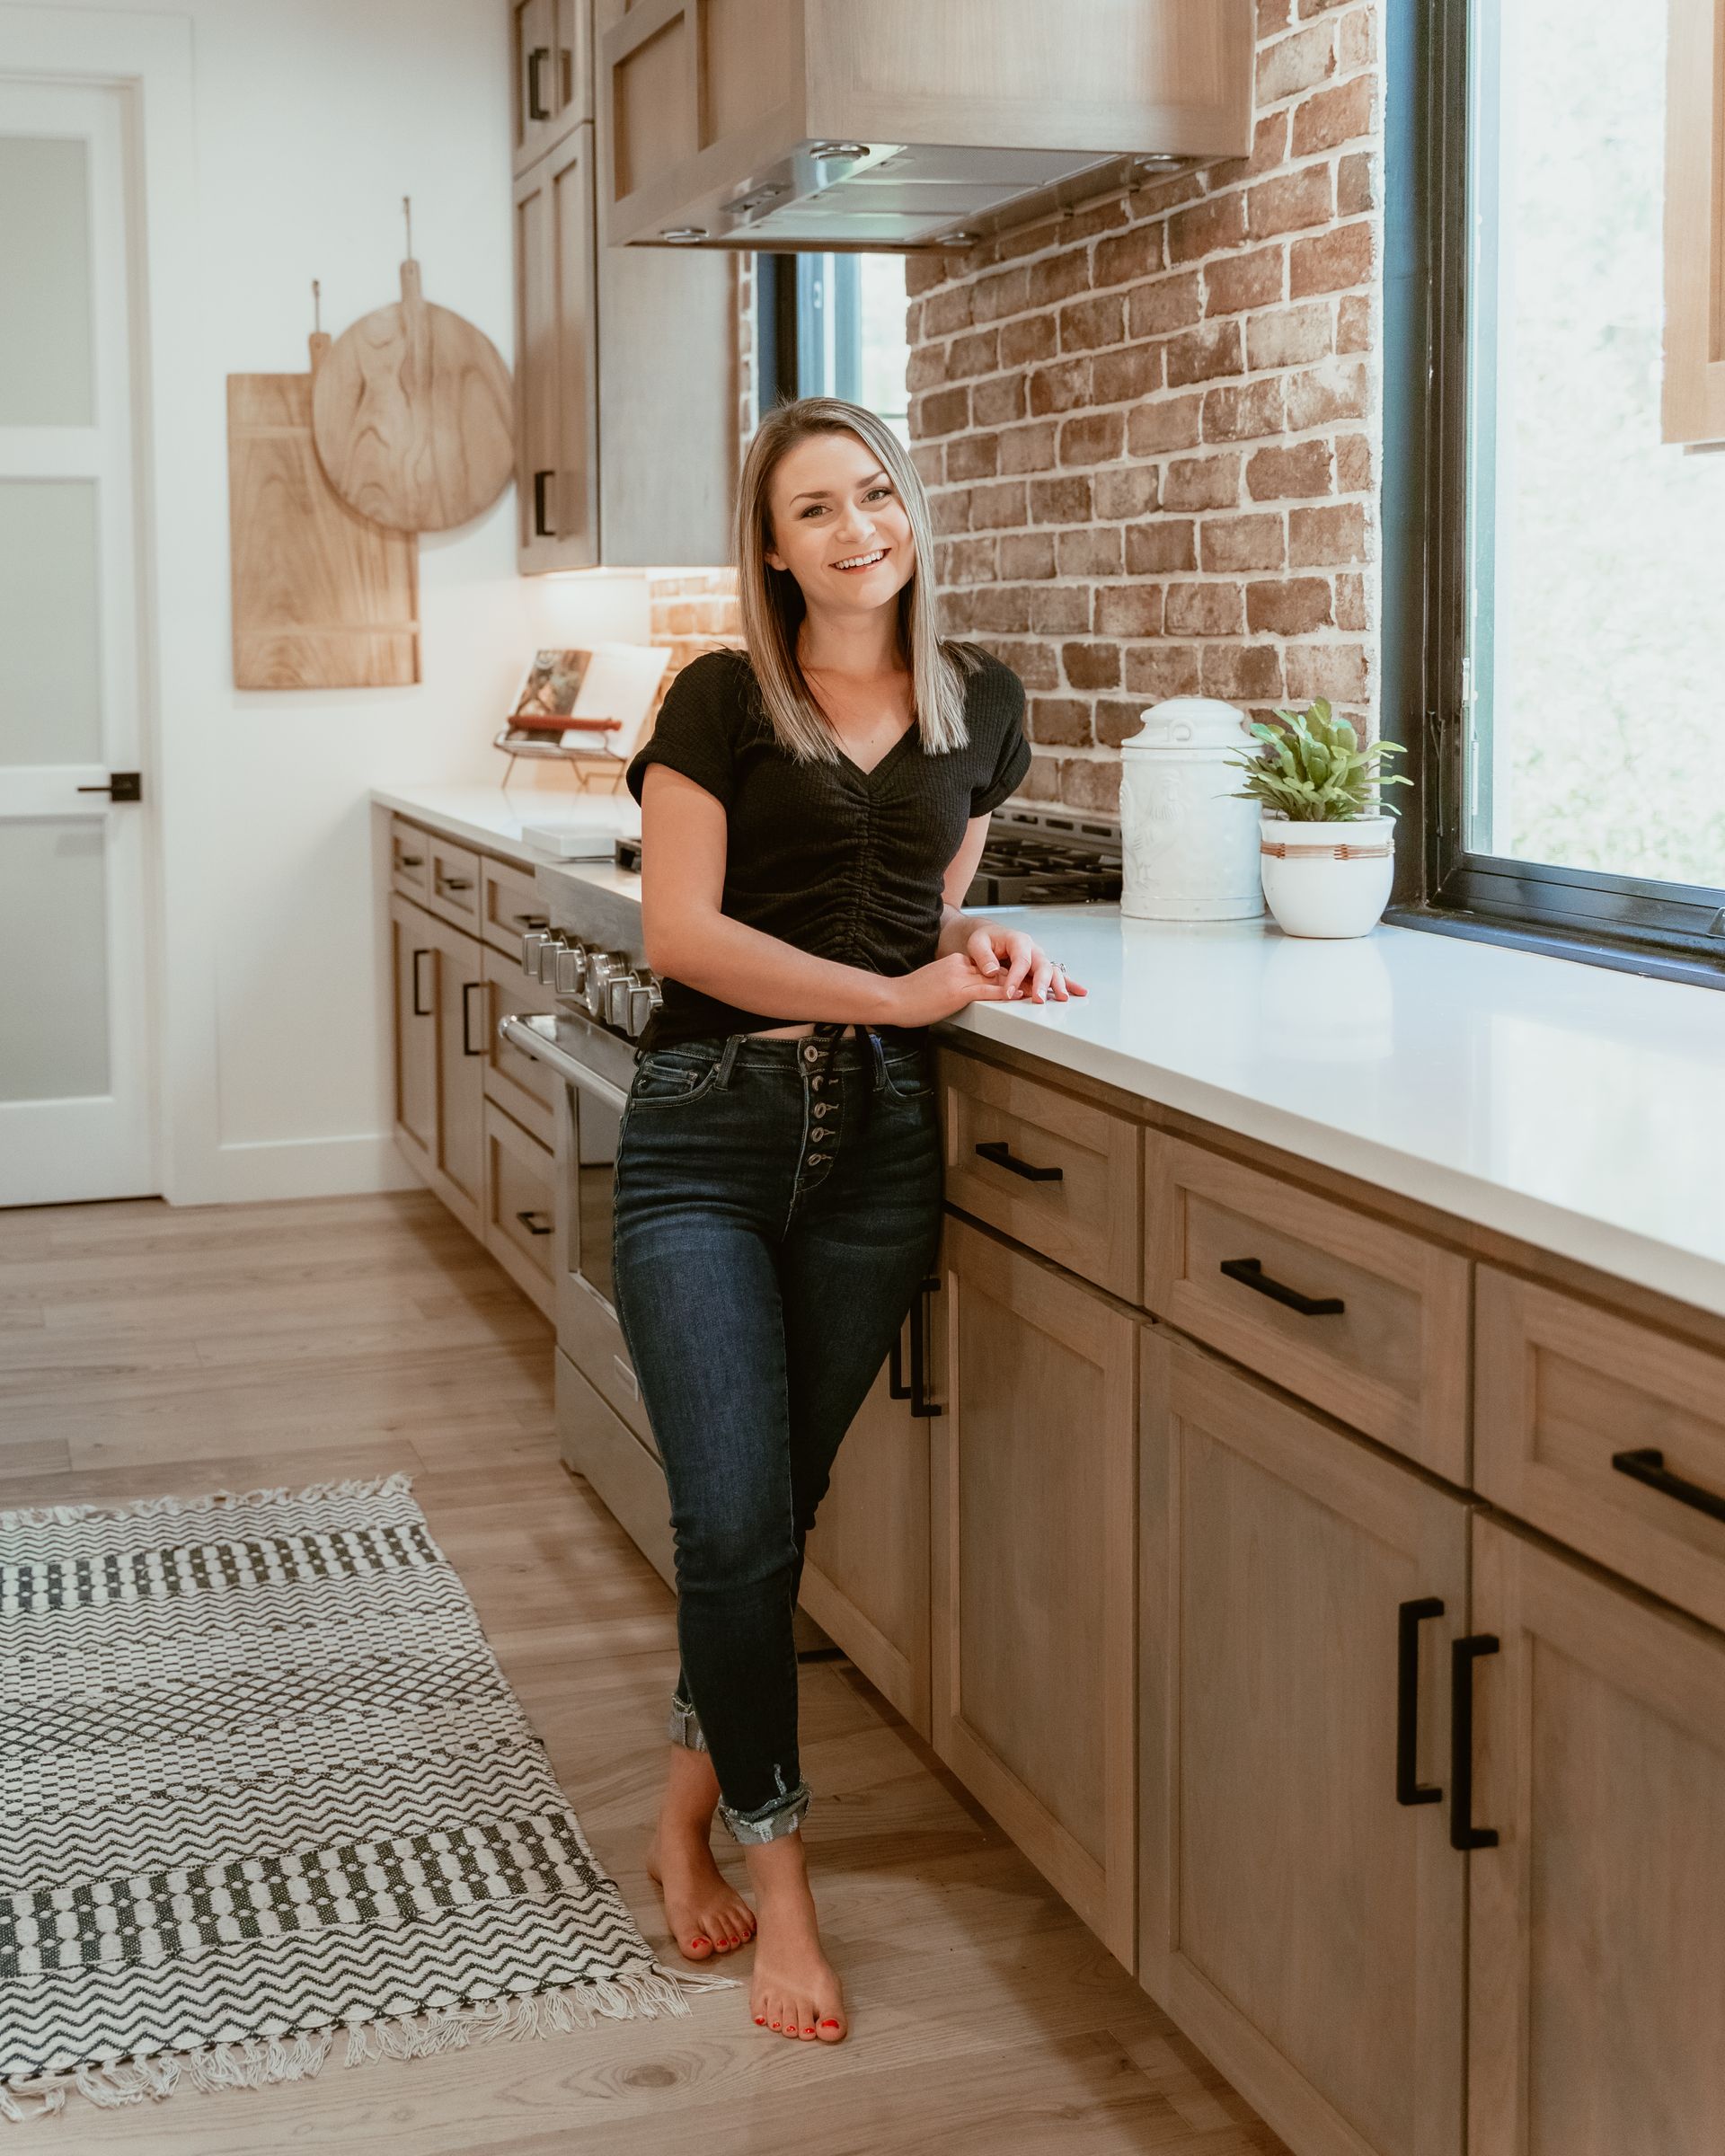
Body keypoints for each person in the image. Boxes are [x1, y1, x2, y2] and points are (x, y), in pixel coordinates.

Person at [613, 394, 1086, 2048]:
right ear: (772, 545)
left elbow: (927, 904)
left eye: (872, 493)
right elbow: (682, 934)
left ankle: (682, 1809)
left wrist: (987, 955)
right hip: (707, 1136)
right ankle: (782, 1875)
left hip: (881, 1148)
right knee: (730, 1524)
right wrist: (895, 991)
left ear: (908, 508)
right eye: (812, 508)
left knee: (772, 1519)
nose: (854, 529)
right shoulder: (721, 697)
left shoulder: (984, 705)